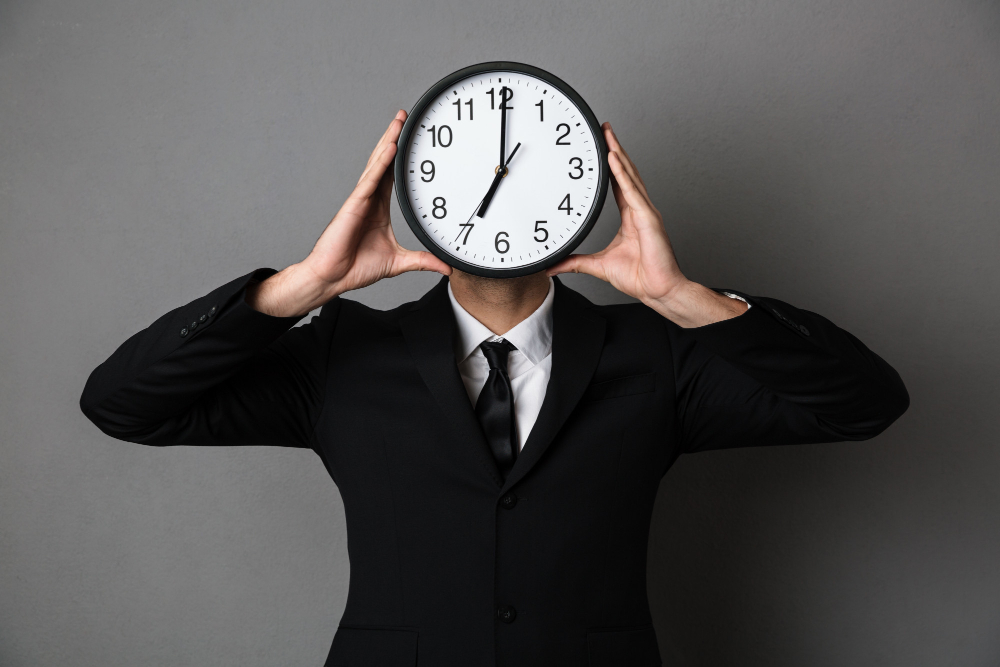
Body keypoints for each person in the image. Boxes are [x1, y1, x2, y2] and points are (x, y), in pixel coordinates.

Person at [80, 110, 909, 667]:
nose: (507, 192)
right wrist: (301, 287)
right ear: (422, 198)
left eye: (533, 174)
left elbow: (864, 401)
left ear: (579, 196)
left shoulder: (656, 356)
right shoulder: (343, 356)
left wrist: (681, 297)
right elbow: (123, 402)